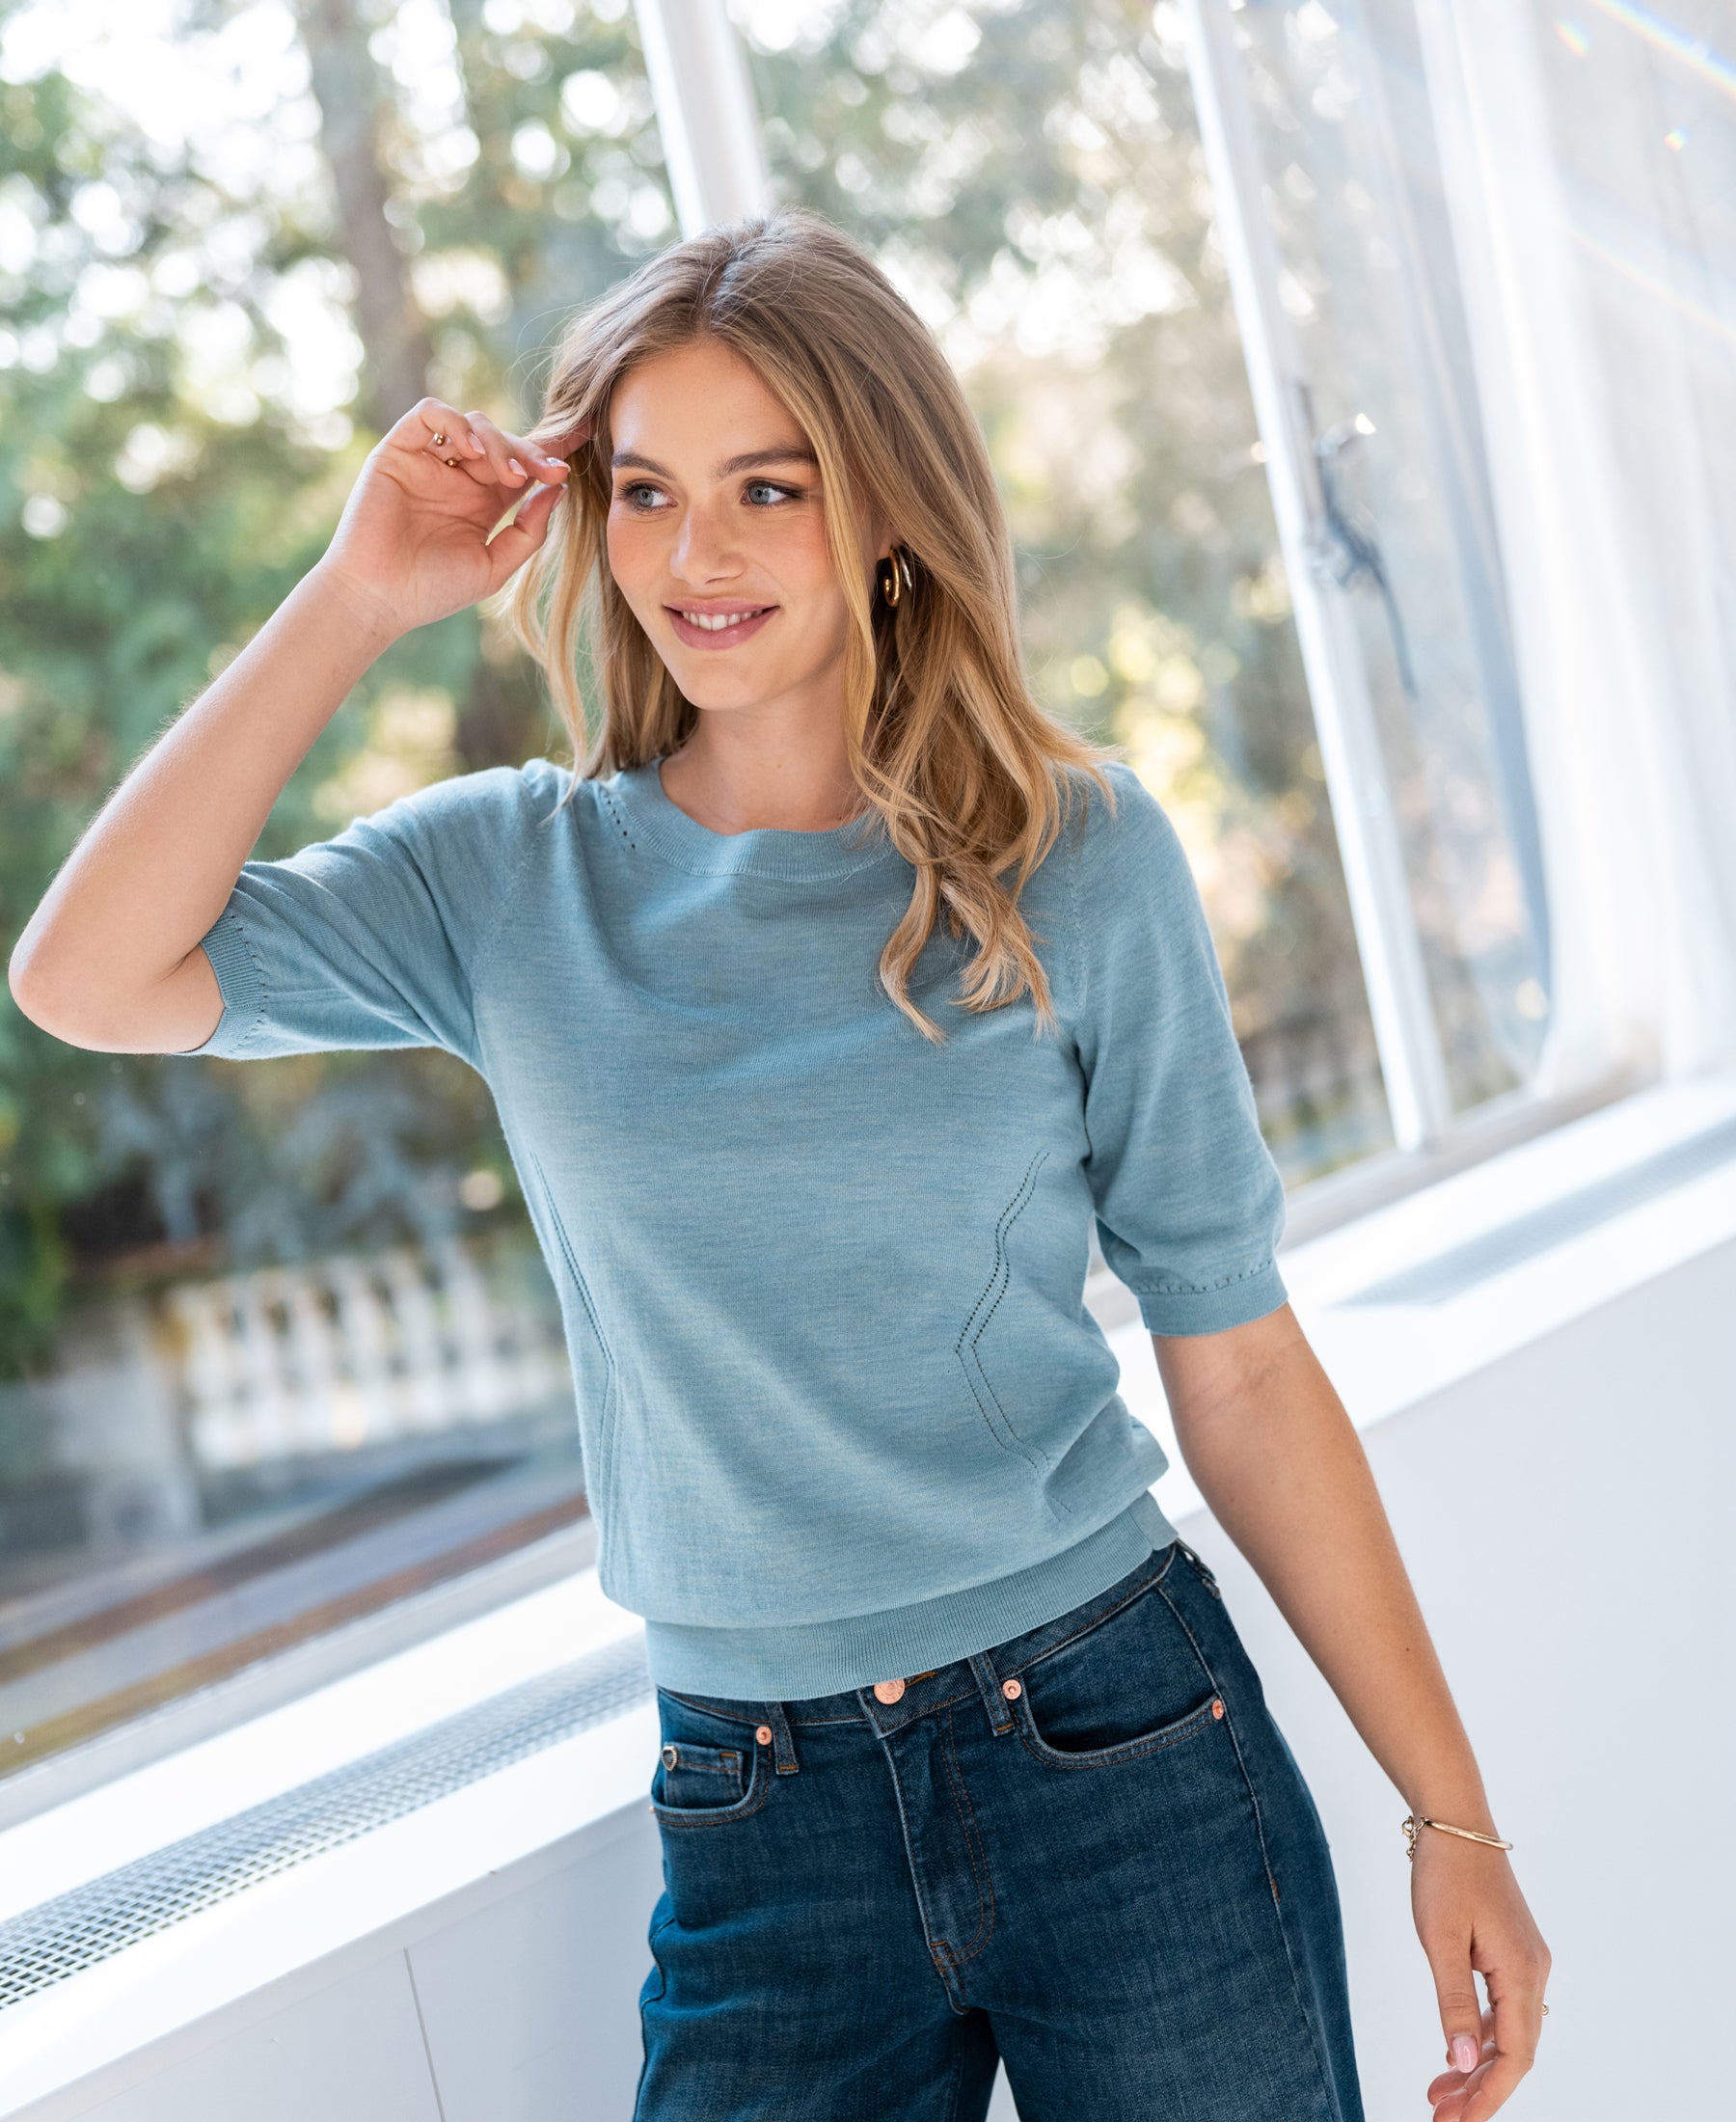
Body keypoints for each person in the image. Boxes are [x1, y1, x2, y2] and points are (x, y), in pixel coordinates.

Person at [10, 210, 1547, 2122]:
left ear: (889, 506)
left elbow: (1233, 1355)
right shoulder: (507, 876)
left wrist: (1450, 1812)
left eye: (769, 487)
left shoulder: (1076, 854)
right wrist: (353, 597)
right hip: (756, 1801)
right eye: (645, 490)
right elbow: (87, 976)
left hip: (1123, 1739)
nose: (696, 553)